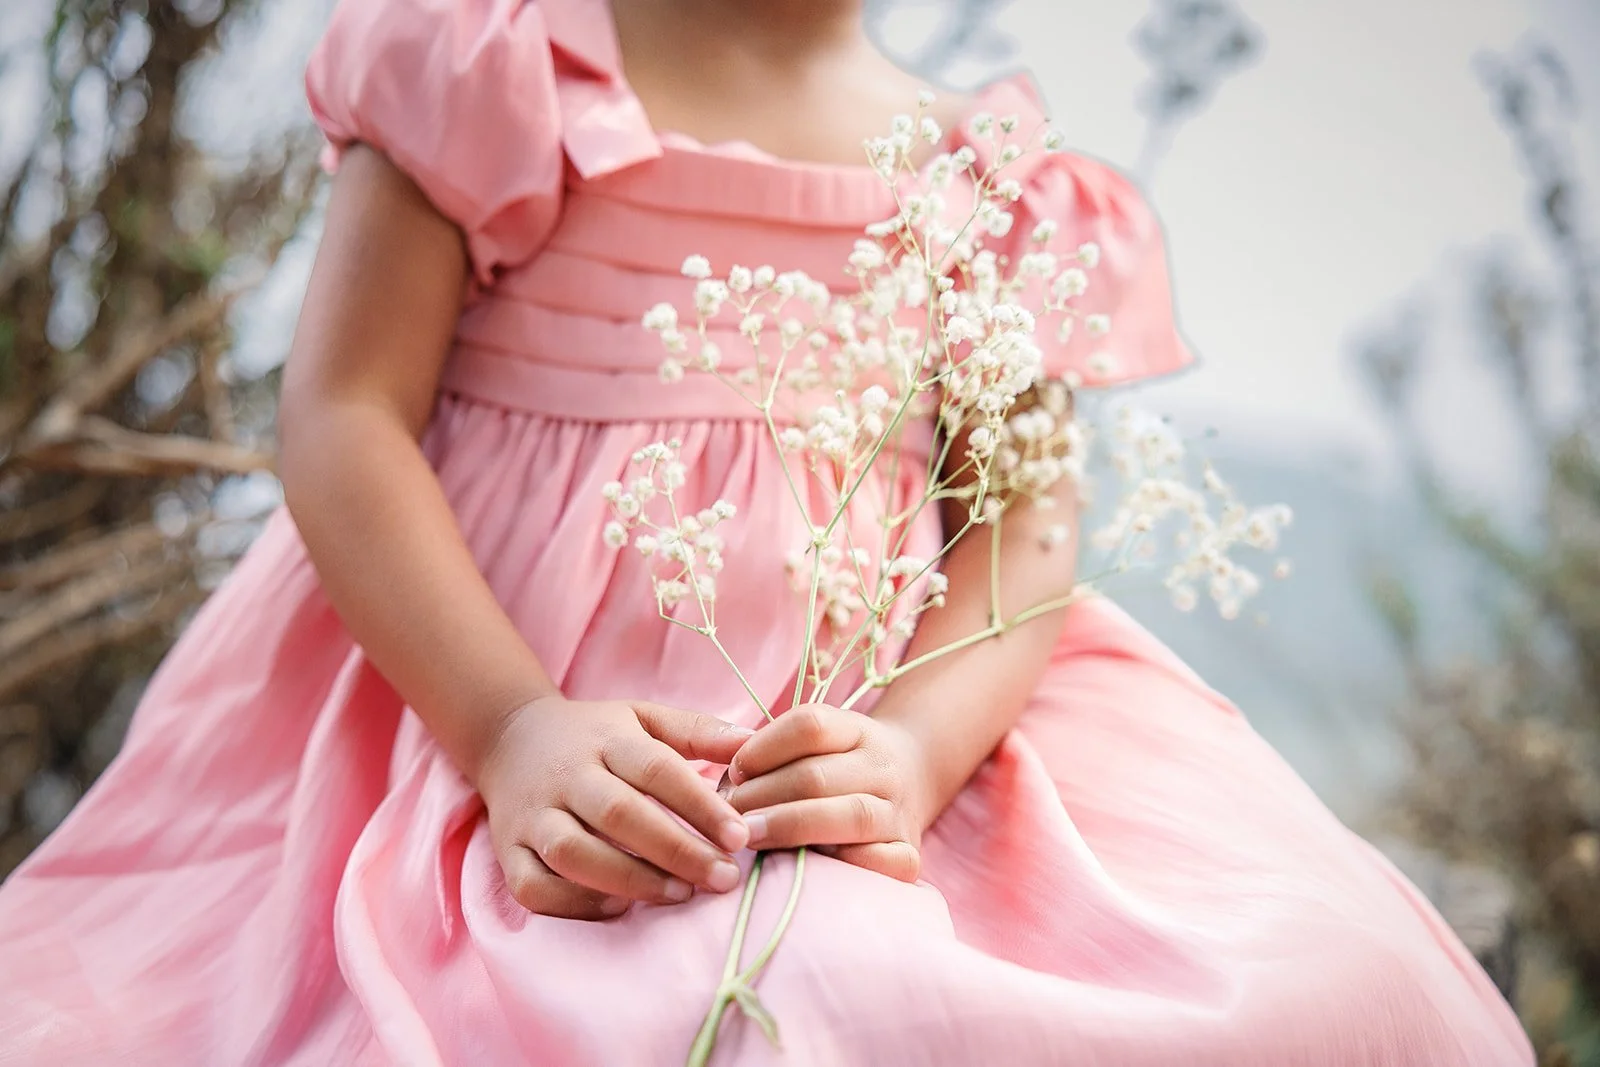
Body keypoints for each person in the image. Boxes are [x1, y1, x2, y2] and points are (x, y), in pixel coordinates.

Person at [0, 0, 1533, 1063]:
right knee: (671, 1002)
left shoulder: (984, 177)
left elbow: (1017, 518)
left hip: (862, 734)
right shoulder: (493, 60)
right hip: (489, 711)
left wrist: (923, 751)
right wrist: (512, 726)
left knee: (1340, 983)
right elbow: (343, 415)